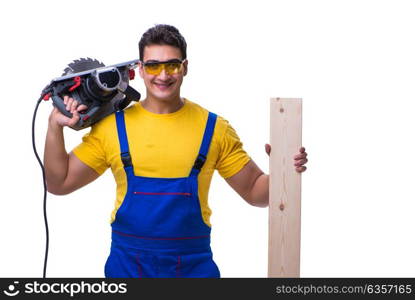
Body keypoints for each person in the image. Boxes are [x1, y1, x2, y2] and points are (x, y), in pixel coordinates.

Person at [44, 24, 308, 278]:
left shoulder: (214, 128)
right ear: (141, 69)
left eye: (172, 64)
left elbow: (255, 193)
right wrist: (55, 127)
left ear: (185, 68)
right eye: (153, 65)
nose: (162, 75)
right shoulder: (113, 127)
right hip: (127, 269)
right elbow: (59, 183)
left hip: (194, 272)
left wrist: (285, 169)